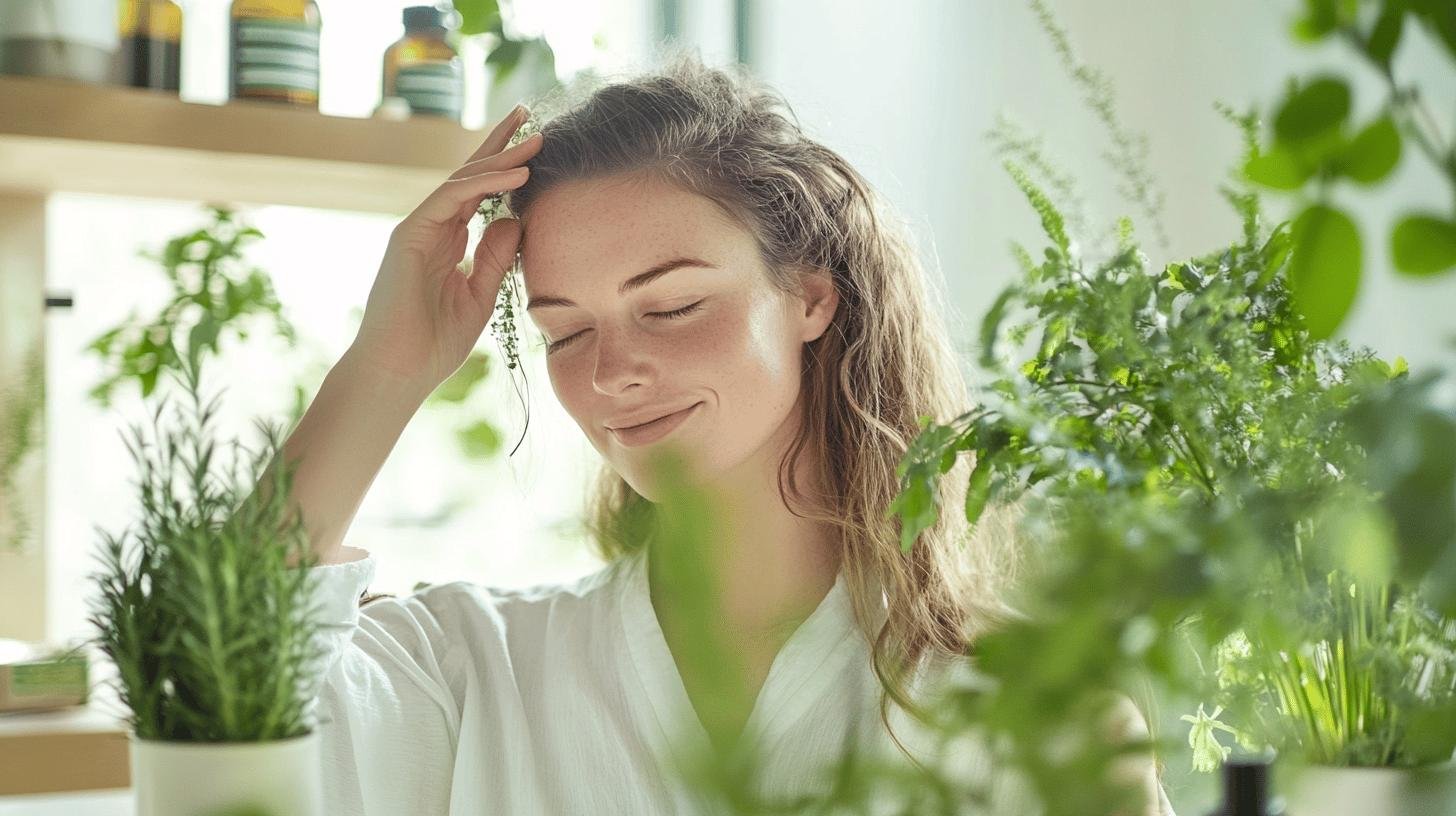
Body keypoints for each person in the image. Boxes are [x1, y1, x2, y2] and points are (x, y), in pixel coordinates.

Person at [269, 47, 1176, 815]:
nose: (609, 370)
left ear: (812, 296)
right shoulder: (470, 673)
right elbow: (207, 710)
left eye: (672, 306)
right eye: (565, 331)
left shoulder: (1035, 720)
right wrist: (383, 369)